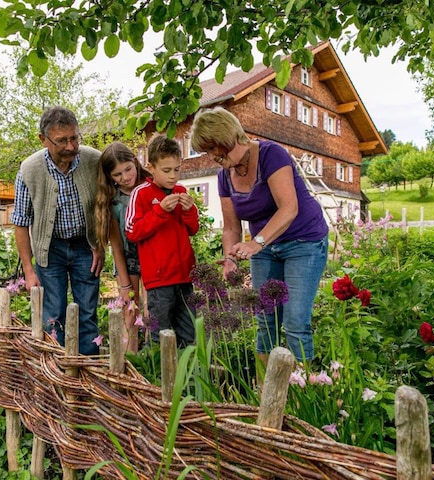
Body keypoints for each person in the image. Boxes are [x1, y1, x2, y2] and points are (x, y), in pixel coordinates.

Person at [189, 106, 329, 364]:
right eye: (206, 151)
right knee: (266, 320)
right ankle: (264, 393)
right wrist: (231, 259)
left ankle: (305, 395)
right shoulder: (224, 177)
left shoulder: (270, 155)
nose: (212, 157)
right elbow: (231, 227)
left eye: (213, 149)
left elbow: (289, 208)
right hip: (264, 251)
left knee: (295, 321)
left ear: (229, 138)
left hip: (303, 242)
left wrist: (257, 243)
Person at [10, 106, 104, 355]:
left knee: (87, 312)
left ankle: (88, 371)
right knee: (53, 314)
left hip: (86, 247)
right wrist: (29, 271)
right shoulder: (29, 170)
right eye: (62, 141)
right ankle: (57, 373)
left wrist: (99, 244)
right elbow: (20, 221)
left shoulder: (94, 160)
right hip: (50, 251)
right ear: (44, 140)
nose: (71, 147)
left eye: (74, 138)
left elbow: (107, 205)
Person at [125, 134, 199, 348]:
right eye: (166, 170)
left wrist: (189, 210)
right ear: (151, 167)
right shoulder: (141, 194)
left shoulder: (181, 191)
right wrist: (159, 211)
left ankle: (188, 378)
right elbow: (132, 231)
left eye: (177, 169)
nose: (173, 176)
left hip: (185, 278)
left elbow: (193, 229)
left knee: (189, 333)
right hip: (159, 281)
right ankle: (158, 378)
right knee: (160, 334)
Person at [95, 142, 151, 353]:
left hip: (152, 257)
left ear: (135, 161)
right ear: (110, 177)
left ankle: (152, 360)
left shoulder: (150, 188)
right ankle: (130, 361)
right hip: (127, 260)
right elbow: (117, 247)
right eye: (117, 175)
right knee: (130, 311)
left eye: (128, 169)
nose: (126, 177)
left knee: (151, 311)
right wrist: (125, 284)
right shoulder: (113, 203)